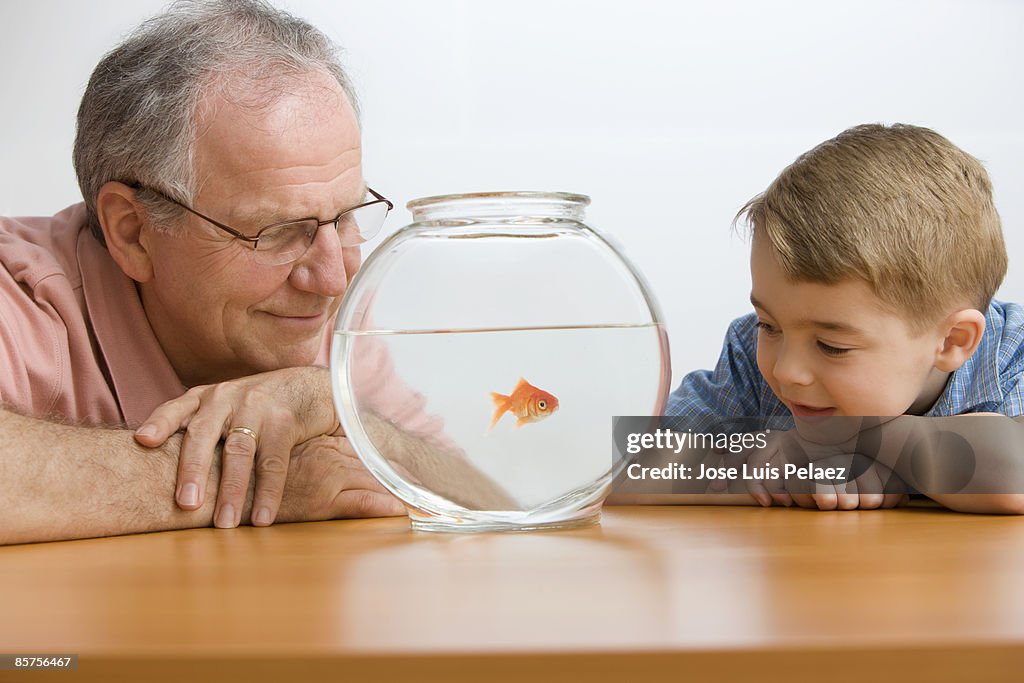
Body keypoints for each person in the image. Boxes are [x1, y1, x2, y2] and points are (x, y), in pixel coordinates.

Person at [0, 0, 427, 545]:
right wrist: (257, 477)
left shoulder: (318, 315)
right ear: (132, 232)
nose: (331, 281)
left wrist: (337, 410)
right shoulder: (18, 295)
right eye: (275, 230)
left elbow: (488, 500)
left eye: (345, 217)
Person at [663, 123, 1024, 514]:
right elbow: (615, 464)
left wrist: (868, 444)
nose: (788, 371)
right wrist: (755, 461)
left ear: (953, 340)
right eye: (769, 325)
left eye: (832, 346)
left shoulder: (1011, 352)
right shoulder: (750, 353)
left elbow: (1015, 474)